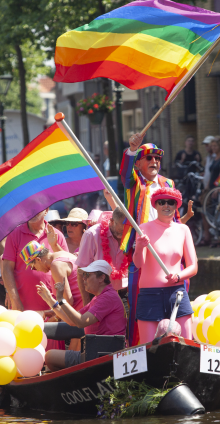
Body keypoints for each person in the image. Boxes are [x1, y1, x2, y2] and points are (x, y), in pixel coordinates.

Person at [120, 130, 178, 345]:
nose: (154, 161)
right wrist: (132, 150)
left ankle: (170, 340)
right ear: (139, 164)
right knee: (138, 298)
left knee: (174, 293)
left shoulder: (169, 184)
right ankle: (137, 344)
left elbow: (175, 215)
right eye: (149, 158)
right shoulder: (134, 182)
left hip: (168, 248)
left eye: (157, 158)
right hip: (142, 249)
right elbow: (125, 173)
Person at [36, 260, 126, 371]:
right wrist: (51, 300)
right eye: (83, 275)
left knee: (49, 356)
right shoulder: (99, 297)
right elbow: (72, 320)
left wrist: (61, 299)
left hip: (103, 356)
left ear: (102, 278)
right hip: (96, 352)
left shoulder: (107, 297)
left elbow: (81, 322)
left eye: (87, 275)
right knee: (50, 357)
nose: (83, 279)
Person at [133, 188, 197, 344]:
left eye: (171, 202)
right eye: (162, 202)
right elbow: (138, 264)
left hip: (177, 293)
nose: (166, 206)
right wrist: (140, 246)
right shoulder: (143, 228)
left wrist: (178, 276)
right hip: (150, 294)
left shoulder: (183, 229)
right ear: (155, 205)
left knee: (186, 343)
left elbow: (193, 266)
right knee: (147, 348)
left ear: (176, 205)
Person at [1, 209, 67, 311]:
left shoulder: (56, 235)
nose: (31, 211)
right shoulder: (14, 234)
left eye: (36, 208)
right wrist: (15, 300)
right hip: (22, 306)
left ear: (46, 211)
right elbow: (7, 269)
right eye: (29, 208)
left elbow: (66, 265)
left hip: (54, 307)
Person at [76, 209, 128, 305]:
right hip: (98, 294)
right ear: (111, 221)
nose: (124, 233)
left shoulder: (130, 234)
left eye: (127, 229)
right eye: (121, 230)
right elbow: (81, 271)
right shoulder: (92, 234)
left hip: (124, 293)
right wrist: (87, 303)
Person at [21, 240, 82, 311]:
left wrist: (50, 301)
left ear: (38, 259)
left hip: (80, 314)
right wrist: (54, 312)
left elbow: (68, 302)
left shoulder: (56, 266)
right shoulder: (62, 253)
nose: (37, 270)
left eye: (33, 267)